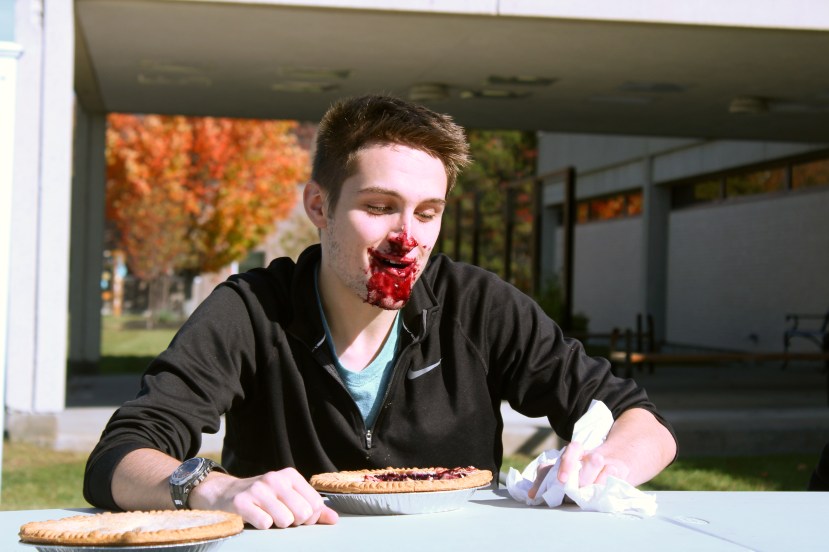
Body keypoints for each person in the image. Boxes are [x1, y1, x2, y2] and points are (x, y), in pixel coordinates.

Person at [84, 94, 677, 529]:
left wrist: (599, 465)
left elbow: (641, 421)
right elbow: (119, 456)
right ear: (319, 206)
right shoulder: (252, 310)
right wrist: (211, 488)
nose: (407, 237)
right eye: (379, 206)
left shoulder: (477, 305)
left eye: (427, 212)